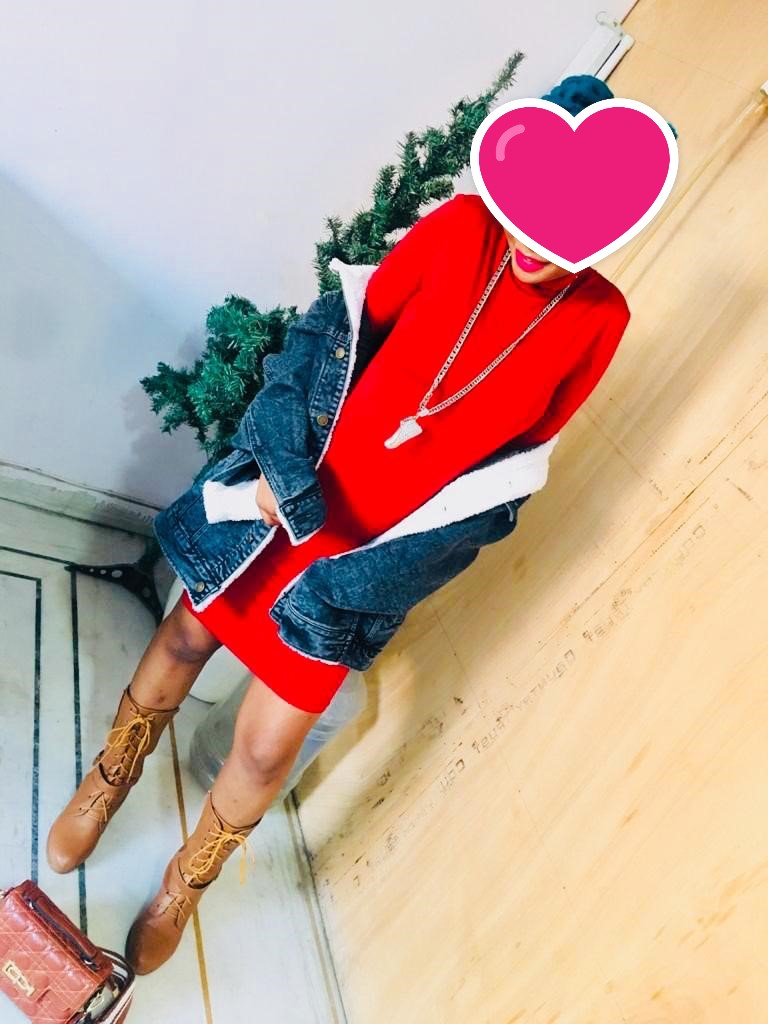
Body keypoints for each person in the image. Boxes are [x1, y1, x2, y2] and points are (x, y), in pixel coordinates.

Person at [46, 80, 632, 976]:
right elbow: (343, 335)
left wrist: (395, 556)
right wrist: (280, 463)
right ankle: (106, 782)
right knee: (185, 638)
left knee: (265, 749)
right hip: (294, 499)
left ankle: (182, 887)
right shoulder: (461, 228)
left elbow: (520, 460)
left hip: (367, 562)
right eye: (525, 210)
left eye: (563, 229)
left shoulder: (599, 320)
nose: (532, 241)